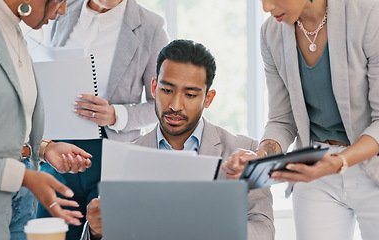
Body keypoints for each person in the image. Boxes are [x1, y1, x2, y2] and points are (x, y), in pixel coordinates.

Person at [222, 0, 379, 239]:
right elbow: (282, 120)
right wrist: (259, 156)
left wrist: (340, 162)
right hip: (315, 170)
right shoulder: (271, 33)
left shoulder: (370, 15)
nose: (266, 7)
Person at [80, 39, 275, 240]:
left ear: (208, 98)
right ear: (154, 87)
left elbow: (264, 230)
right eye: (166, 90)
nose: (175, 105)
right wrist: (95, 232)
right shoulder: (124, 157)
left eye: (190, 95)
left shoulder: (245, 150)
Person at [0, 0, 94, 239]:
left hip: (21, 202)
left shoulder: (13, 30)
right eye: (61, 0)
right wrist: (24, 177)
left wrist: (46, 148)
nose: (64, 10)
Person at [35, 0, 170, 238]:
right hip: (58, 154)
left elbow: (160, 104)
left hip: (110, 157)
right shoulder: (63, 10)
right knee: (48, 233)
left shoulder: (151, 26)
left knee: (101, 233)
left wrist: (116, 114)